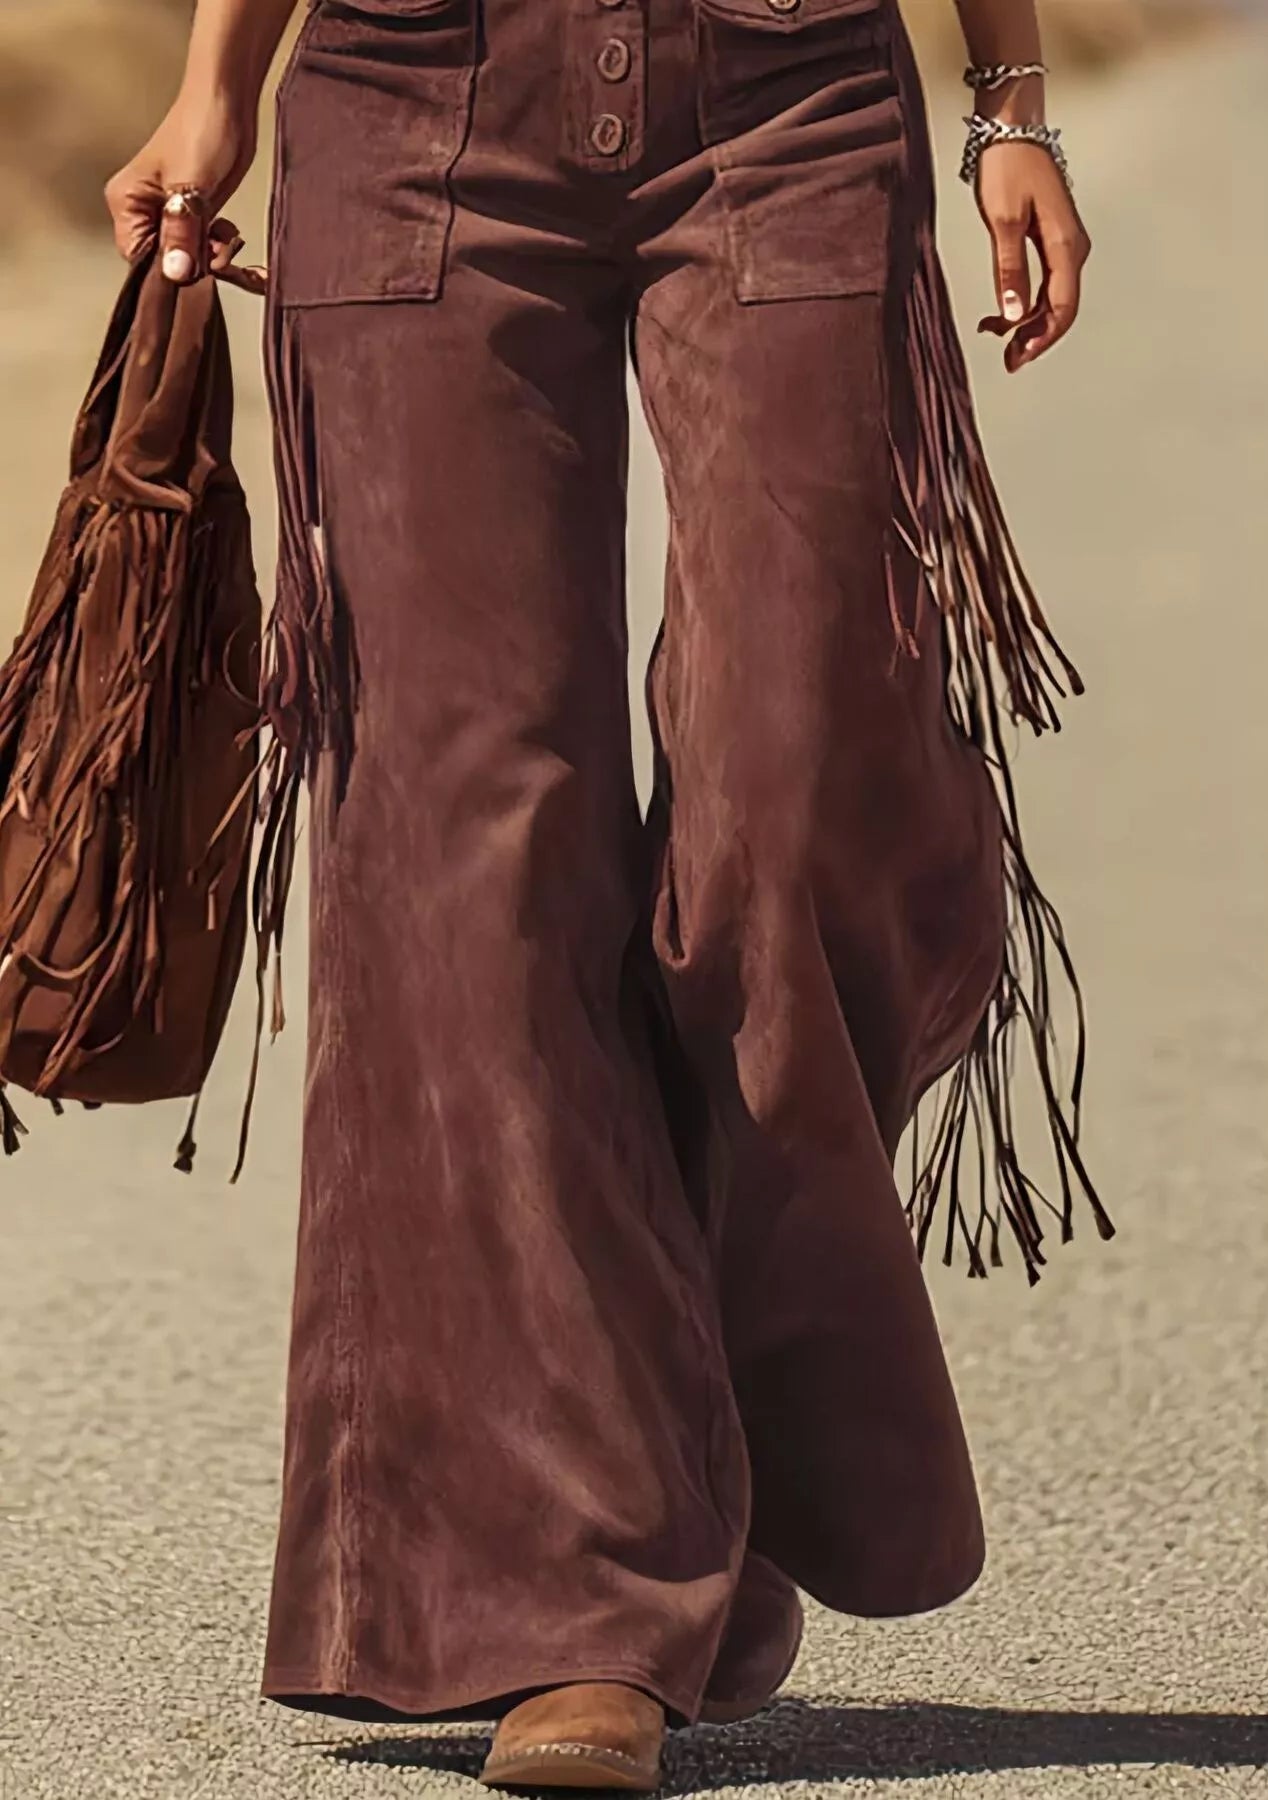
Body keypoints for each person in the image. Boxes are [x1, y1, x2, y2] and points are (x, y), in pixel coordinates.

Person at [106, 0, 1108, 1788]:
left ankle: (691, 1411)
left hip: (787, 95)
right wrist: (210, 90)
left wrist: (1006, 104)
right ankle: (572, 1602)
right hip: (411, 100)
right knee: (466, 856)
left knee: (796, 794)